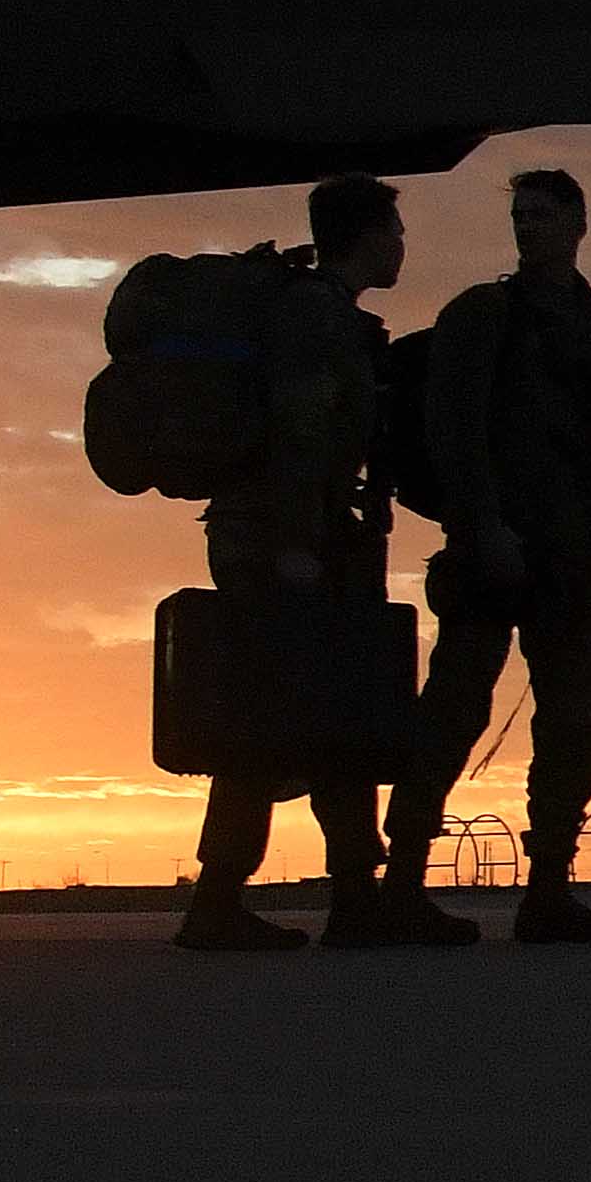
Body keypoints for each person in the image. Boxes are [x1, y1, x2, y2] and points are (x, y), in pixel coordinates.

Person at [382, 167, 591, 943]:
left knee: (576, 722)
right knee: (453, 710)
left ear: (580, 221)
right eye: (521, 215)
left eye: (543, 214)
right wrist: (481, 527)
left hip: (575, 555)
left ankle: (549, 889)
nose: (528, 227)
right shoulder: (482, 315)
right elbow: (452, 428)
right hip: (492, 547)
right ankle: (401, 879)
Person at [188, 176, 422, 953]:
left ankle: (353, 896)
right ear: (365, 233)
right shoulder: (313, 318)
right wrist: (295, 546)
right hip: (286, 545)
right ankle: (220, 901)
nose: (401, 243)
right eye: (393, 228)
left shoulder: (330, 316)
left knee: (337, 717)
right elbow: (298, 434)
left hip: (313, 540)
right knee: (268, 721)